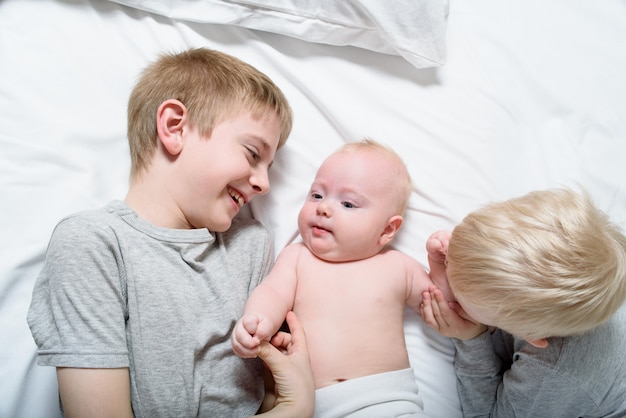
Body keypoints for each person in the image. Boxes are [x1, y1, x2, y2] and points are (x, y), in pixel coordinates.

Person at [26, 47, 308, 417]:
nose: (264, 184)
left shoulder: (251, 246)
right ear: (175, 127)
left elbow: (265, 392)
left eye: (269, 166)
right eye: (253, 154)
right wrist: (296, 410)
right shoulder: (94, 243)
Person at [232, 139, 453, 417]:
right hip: (313, 406)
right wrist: (257, 320)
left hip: (392, 405)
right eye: (316, 195)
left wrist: (439, 266)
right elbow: (273, 292)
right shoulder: (297, 257)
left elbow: (442, 307)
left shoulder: (398, 267)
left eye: (348, 204)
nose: (324, 208)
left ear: (387, 230)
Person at [420, 188, 626, 417]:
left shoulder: (552, 373)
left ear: (534, 337)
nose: (443, 265)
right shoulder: (591, 272)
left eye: (460, 302)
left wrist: (471, 339)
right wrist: (463, 258)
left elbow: (489, 414)